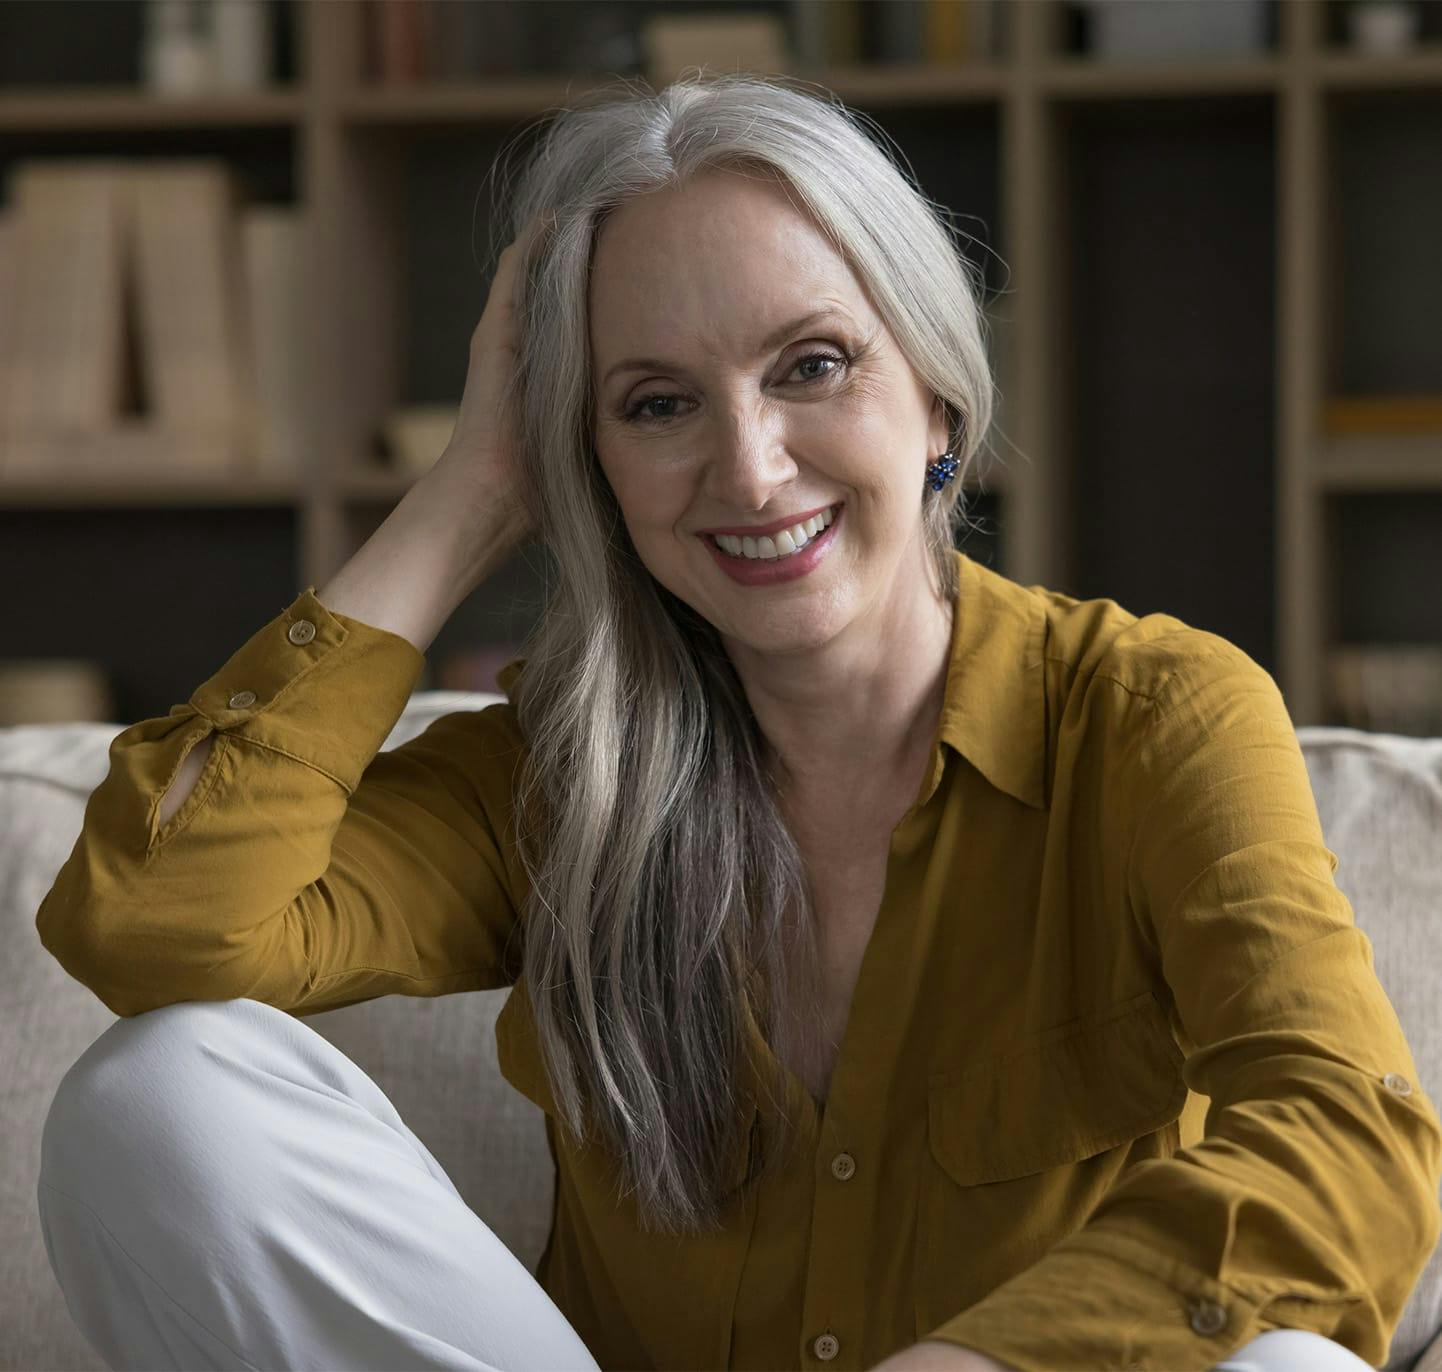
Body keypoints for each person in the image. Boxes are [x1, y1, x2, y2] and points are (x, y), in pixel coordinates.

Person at [35, 71, 1437, 1372]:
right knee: (161, 1091)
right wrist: (468, 493)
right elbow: (156, 925)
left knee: (1291, 1368)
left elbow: (1349, 1135)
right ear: (590, 463)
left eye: (812, 365)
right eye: (656, 404)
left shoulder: (1148, 718)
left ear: (935, 397)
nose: (751, 471)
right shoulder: (551, 775)